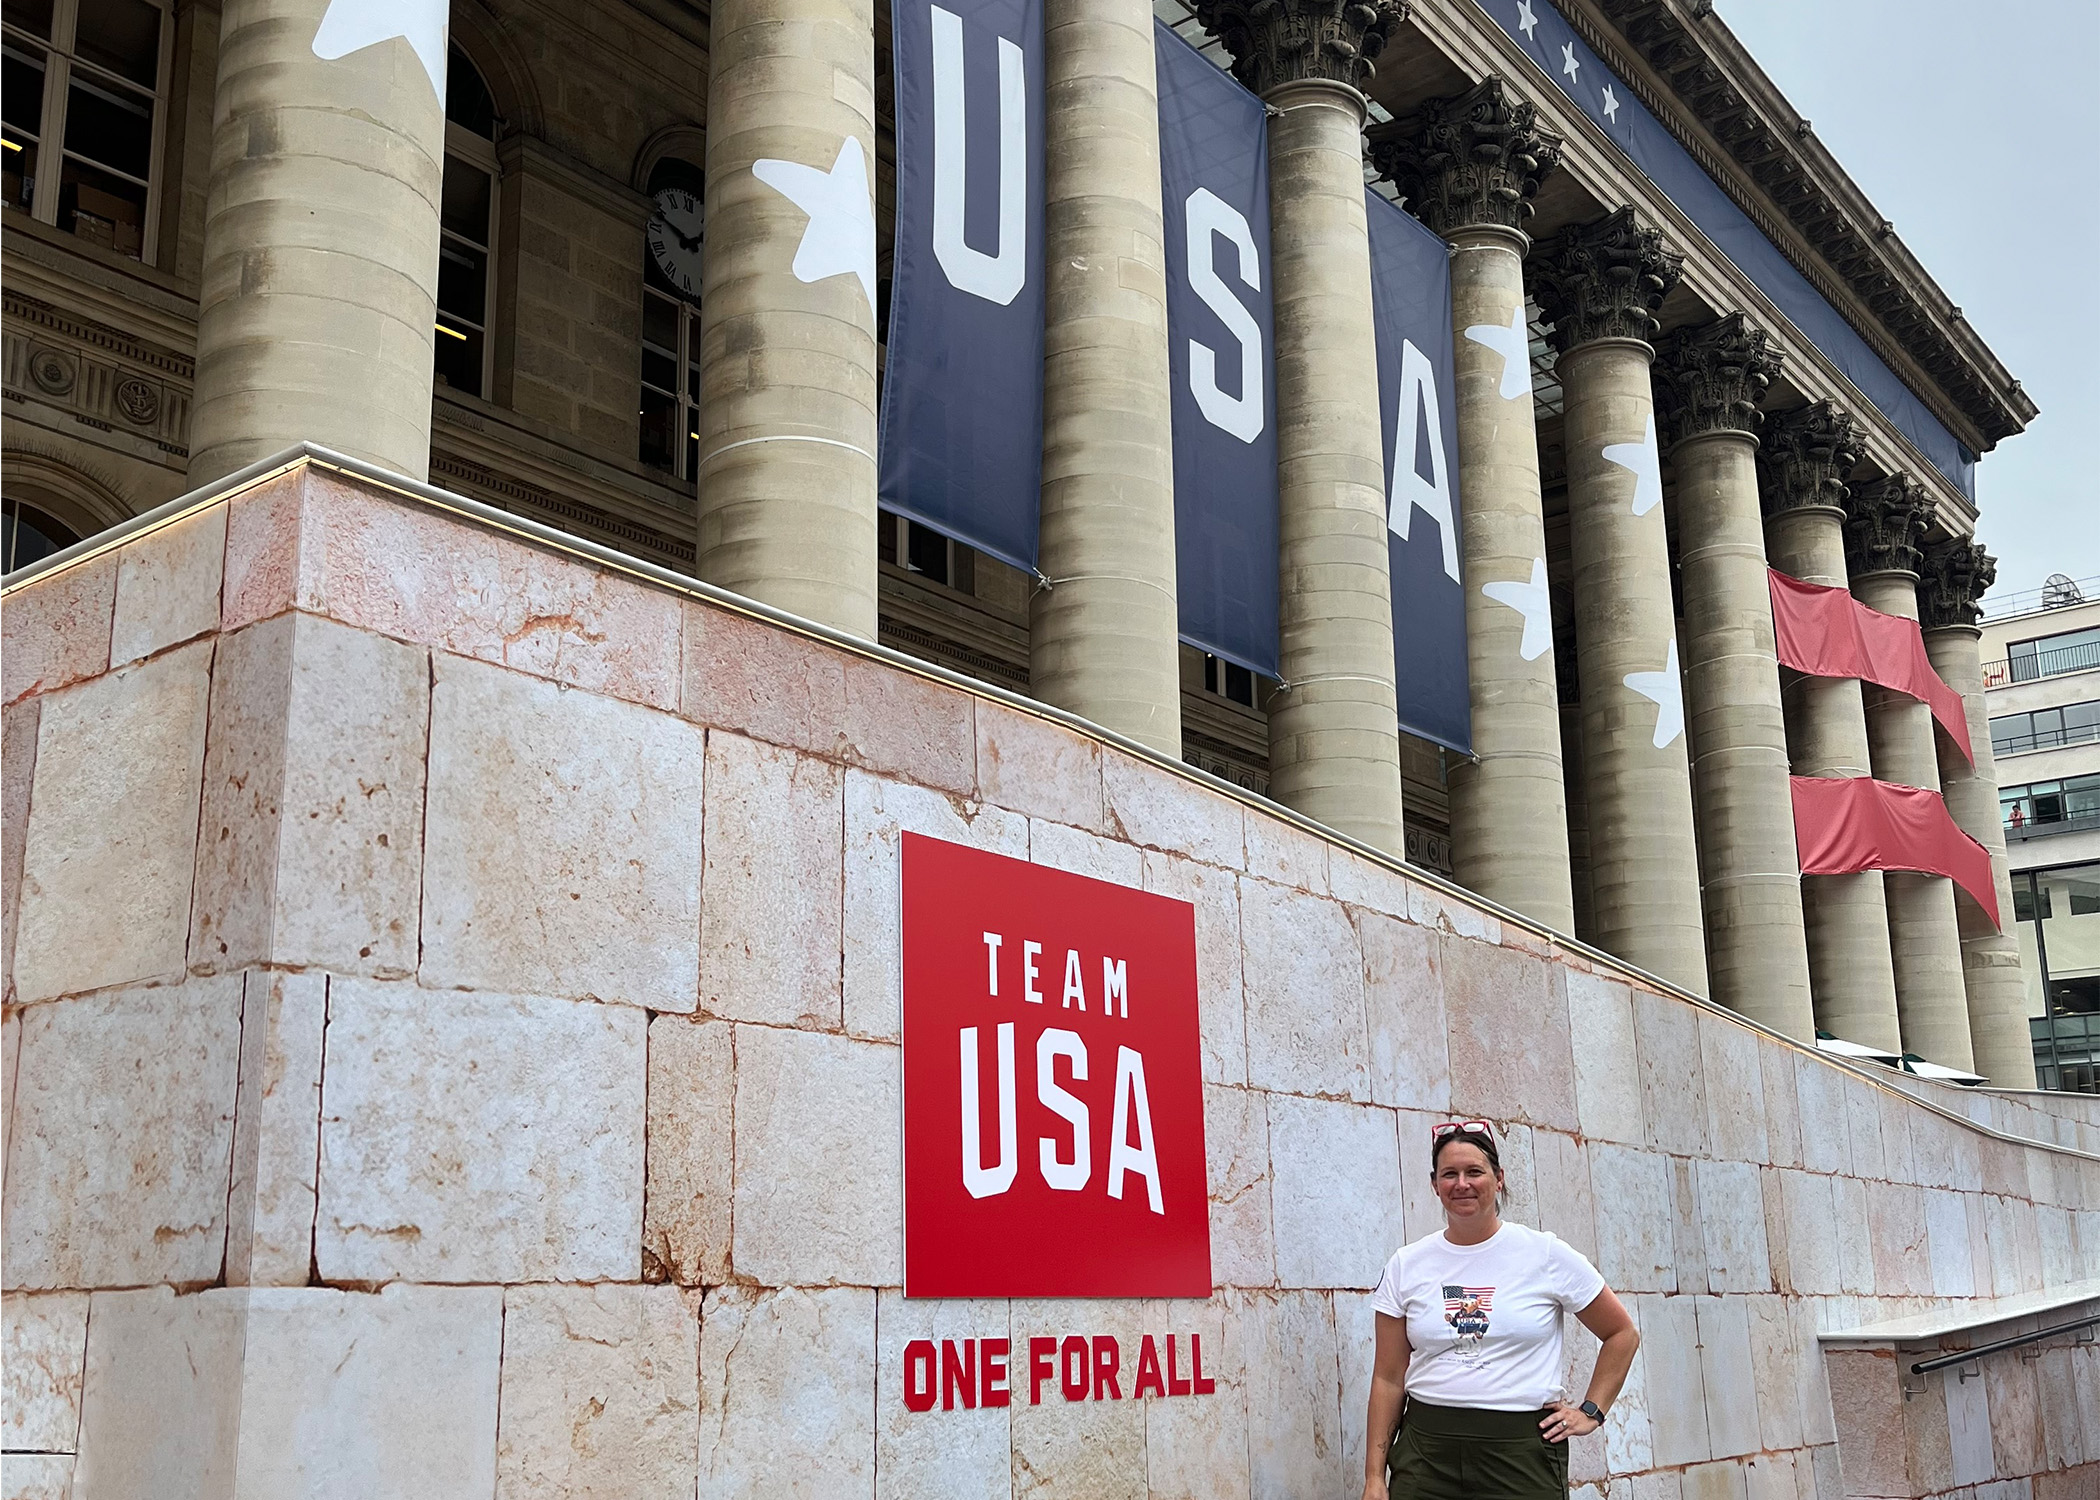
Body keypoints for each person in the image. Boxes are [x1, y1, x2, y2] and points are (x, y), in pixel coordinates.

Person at [1360, 1120, 1640, 1500]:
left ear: (1499, 1178)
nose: (1462, 1183)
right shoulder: (1406, 1264)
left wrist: (1591, 1411)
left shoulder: (1545, 1254)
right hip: (1427, 1453)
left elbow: (1621, 1334)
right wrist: (1375, 1478)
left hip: (1520, 1453)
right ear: (1434, 1184)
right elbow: (1389, 1377)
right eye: (1449, 1174)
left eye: (1474, 1171)